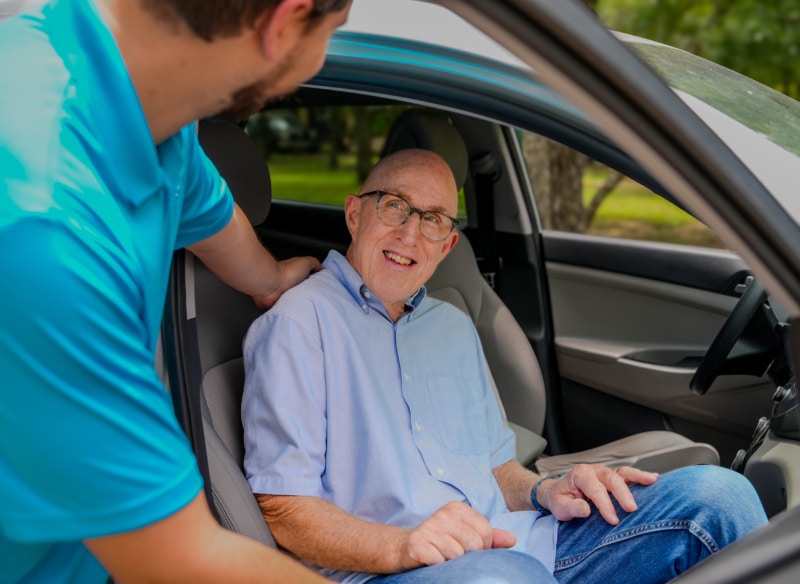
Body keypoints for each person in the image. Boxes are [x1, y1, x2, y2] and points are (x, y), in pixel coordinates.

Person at [242, 148, 768, 584]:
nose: (410, 235)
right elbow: (284, 509)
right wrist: (403, 545)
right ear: (355, 213)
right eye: (395, 206)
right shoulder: (298, 323)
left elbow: (497, 469)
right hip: (400, 571)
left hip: (524, 542)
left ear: (448, 244)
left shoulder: (448, 326)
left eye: (432, 220)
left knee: (719, 496)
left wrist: (547, 489)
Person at [0, 1, 352, 582]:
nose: (320, 59)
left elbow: (214, 218)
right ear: (284, 22)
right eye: (330, 34)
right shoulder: (44, 227)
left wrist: (271, 280)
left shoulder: (151, 111)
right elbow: (183, 561)